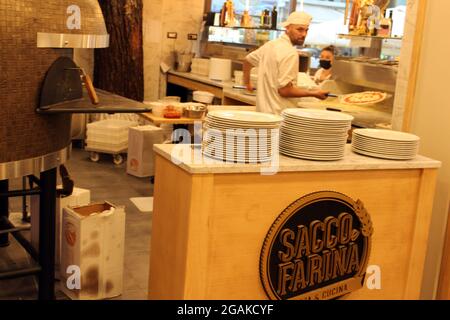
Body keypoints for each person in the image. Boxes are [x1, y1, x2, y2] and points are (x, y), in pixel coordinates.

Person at [243, 11, 329, 115]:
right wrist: (314, 93)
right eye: (300, 29)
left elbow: (247, 60)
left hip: (263, 114)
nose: (304, 34)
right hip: (279, 116)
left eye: (306, 30)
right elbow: (284, 91)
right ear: (287, 28)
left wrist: (247, 83)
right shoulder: (290, 53)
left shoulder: (271, 45)